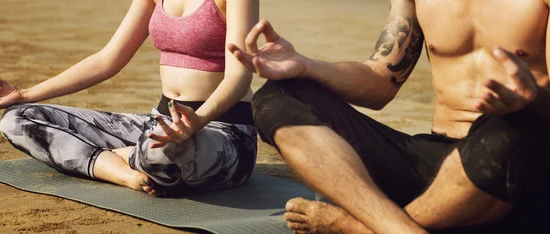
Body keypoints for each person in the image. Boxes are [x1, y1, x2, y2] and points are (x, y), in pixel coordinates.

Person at [228, 0, 550, 233]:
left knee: (512, 128)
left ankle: (355, 226)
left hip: (520, 163)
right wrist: (306, 67)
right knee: (277, 97)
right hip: (440, 160)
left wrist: (531, 99)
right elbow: (381, 81)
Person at [0, 0, 259, 197]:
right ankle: (119, 171)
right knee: (18, 119)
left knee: (157, 150)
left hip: (224, 131)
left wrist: (197, 122)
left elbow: (239, 76)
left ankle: (127, 155)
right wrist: (25, 94)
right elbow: (108, 59)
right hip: (160, 122)